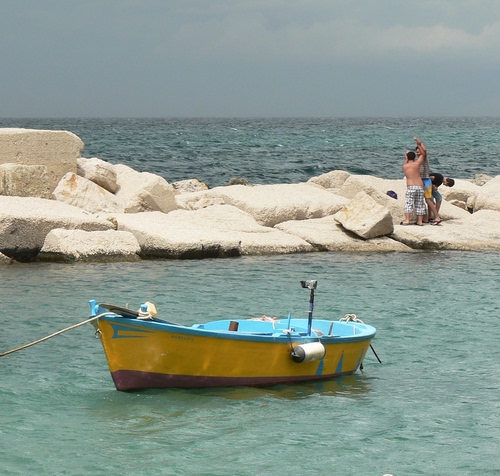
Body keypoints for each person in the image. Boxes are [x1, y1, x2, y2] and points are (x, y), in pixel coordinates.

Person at [414, 137, 442, 225]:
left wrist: (419, 143)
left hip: (426, 180)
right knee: (426, 200)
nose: (418, 152)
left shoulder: (424, 158)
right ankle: (427, 218)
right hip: (421, 181)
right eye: (416, 151)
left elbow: (425, 151)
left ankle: (436, 217)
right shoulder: (418, 160)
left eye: (419, 151)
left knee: (428, 200)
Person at [401, 149, 426, 226]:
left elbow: (406, 163)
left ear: (407, 158)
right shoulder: (417, 164)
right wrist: (419, 144)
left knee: (409, 203)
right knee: (420, 203)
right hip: (419, 185)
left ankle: (407, 220)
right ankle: (420, 221)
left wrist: (406, 157)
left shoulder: (404, 166)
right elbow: (423, 154)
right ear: (414, 158)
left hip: (411, 186)